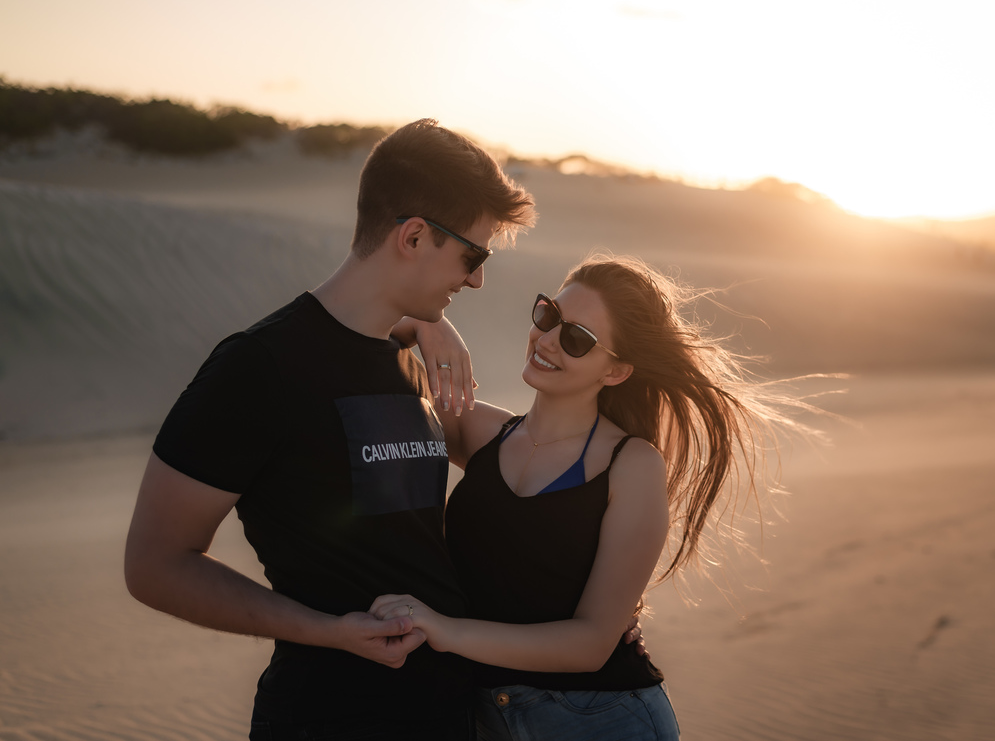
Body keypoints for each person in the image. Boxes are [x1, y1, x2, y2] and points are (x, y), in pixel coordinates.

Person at [124, 118, 538, 740]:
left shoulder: (405, 355)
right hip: (328, 714)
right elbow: (154, 565)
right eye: (471, 256)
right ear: (415, 236)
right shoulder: (259, 367)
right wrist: (326, 629)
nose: (477, 279)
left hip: (444, 714)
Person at [371, 255, 809, 741]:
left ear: (616, 372)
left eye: (578, 339)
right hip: (482, 717)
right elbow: (363, 355)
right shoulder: (479, 431)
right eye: (549, 316)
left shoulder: (632, 464)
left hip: (597, 720)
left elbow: (592, 644)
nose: (549, 340)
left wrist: (444, 631)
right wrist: (428, 324)